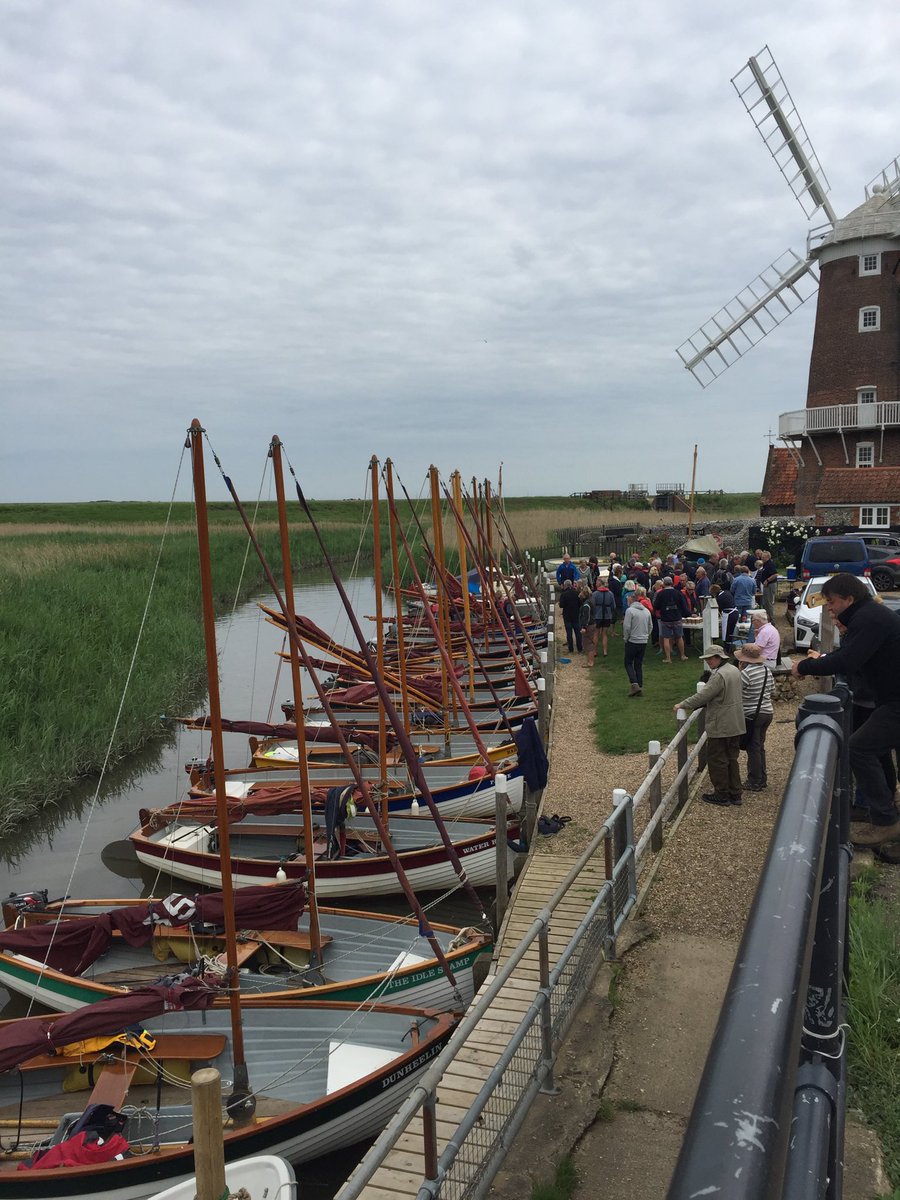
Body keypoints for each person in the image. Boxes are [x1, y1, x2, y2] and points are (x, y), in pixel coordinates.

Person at [792, 573, 900, 845]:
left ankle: (886, 821)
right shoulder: (868, 616)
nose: (828, 608)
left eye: (832, 602)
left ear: (849, 599)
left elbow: (849, 661)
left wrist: (804, 667)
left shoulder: (867, 619)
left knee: (860, 748)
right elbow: (849, 656)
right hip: (890, 699)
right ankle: (886, 815)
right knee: (877, 750)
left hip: (895, 701)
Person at [674, 646, 745, 807]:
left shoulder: (719, 676)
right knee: (732, 758)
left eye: (710, 658)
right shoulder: (734, 670)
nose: (708, 661)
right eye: (707, 659)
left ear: (719, 657)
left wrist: (682, 704)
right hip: (736, 722)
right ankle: (735, 793)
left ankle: (721, 794)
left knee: (717, 759)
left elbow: (703, 695)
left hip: (722, 724)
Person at [734, 643, 774, 791]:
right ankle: (762, 778)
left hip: (752, 714)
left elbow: (736, 691)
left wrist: (739, 671)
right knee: (759, 746)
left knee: (753, 748)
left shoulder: (746, 673)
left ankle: (754, 781)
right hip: (767, 712)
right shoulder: (766, 670)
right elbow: (772, 689)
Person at [653, 576, 690, 663]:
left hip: (665, 619)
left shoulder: (660, 594)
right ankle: (683, 655)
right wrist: (689, 614)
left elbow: (656, 606)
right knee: (679, 637)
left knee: (666, 638)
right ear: (672, 583)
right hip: (677, 618)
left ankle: (668, 658)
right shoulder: (678, 593)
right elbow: (684, 606)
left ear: (664, 584)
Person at [623, 589, 652, 696]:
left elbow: (627, 627)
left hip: (632, 640)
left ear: (631, 600)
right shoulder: (646, 611)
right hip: (643, 640)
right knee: (638, 664)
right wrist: (646, 635)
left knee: (628, 662)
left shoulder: (630, 611)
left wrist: (626, 638)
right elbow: (650, 626)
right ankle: (640, 685)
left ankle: (634, 684)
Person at [591, 579, 617, 658]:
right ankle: (605, 651)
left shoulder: (595, 594)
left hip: (597, 615)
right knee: (604, 634)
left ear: (599, 583)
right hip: (607, 615)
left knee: (596, 633)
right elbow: (614, 606)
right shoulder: (610, 593)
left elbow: (592, 605)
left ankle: (595, 651)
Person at [559, 579, 583, 652]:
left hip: (567, 615)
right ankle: (579, 648)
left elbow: (561, 605)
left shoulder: (563, 594)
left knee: (569, 633)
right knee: (578, 632)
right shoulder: (577, 593)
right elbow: (580, 603)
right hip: (576, 614)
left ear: (565, 585)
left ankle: (571, 648)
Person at [756, 550, 778, 623]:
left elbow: (775, 574)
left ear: (767, 557)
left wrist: (767, 580)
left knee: (769, 603)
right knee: (765, 602)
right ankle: (767, 618)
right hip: (766, 585)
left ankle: (772, 620)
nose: (761, 558)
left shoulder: (770, 564)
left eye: (763, 557)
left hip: (770, 585)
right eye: (761, 557)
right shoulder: (765, 564)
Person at [578, 584, 597, 667]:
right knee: (590, 643)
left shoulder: (586, 604)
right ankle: (590, 661)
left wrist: (584, 627)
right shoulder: (591, 600)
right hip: (593, 624)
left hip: (589, 625)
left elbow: (586, 616)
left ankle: (590, 662)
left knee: (588, 644)